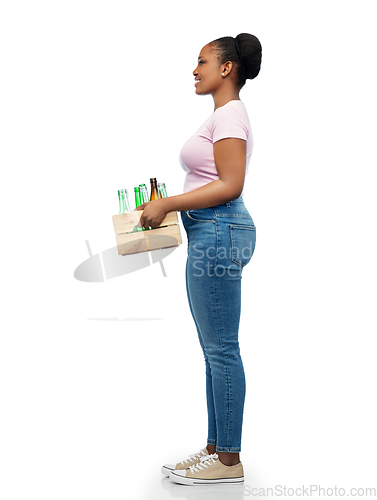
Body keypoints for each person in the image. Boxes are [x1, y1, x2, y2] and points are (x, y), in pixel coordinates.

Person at [136, 33, 262, 486]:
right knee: (214, 351)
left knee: (222, 349)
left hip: (220, 228)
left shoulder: (230, 115)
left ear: (227, 68)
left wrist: (169, 204)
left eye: (202, 60)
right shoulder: (223, 116)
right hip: (213, 229)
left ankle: (229, 462)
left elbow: (232, 184)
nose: (195, 68)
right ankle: (216, 448)